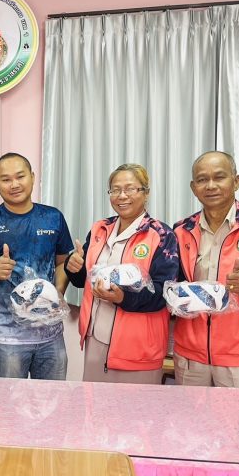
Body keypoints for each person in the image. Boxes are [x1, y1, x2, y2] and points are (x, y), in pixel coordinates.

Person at [173, 151, 239, 388]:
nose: (211, 185)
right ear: (193, 187)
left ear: (236, 181)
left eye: (219, 177)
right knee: (187, 412)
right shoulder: (181, 229)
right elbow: (175, 282)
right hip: (190, 350)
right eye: (202, 179)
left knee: (238, 414)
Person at [65, 164, 178, 383]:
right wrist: (74, 266)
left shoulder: (161, 235)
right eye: (115, 190)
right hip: (96, 339)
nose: (122, 196)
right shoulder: (100, 229)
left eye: (130, 189)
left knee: (135, 405)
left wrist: (123, 298)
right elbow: (82, 280)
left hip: (137, 346)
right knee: (94, 402)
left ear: (145, 192)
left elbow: (165, 292)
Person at [0, 153, 73, 380]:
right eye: (6, 179)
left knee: (53, 398)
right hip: (9, 336)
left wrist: (55, 295)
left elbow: (62, 263)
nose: (14, 184)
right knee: (10, 400)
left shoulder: (53, 217)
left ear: (32, 177)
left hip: (52, 333)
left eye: (20, 176)